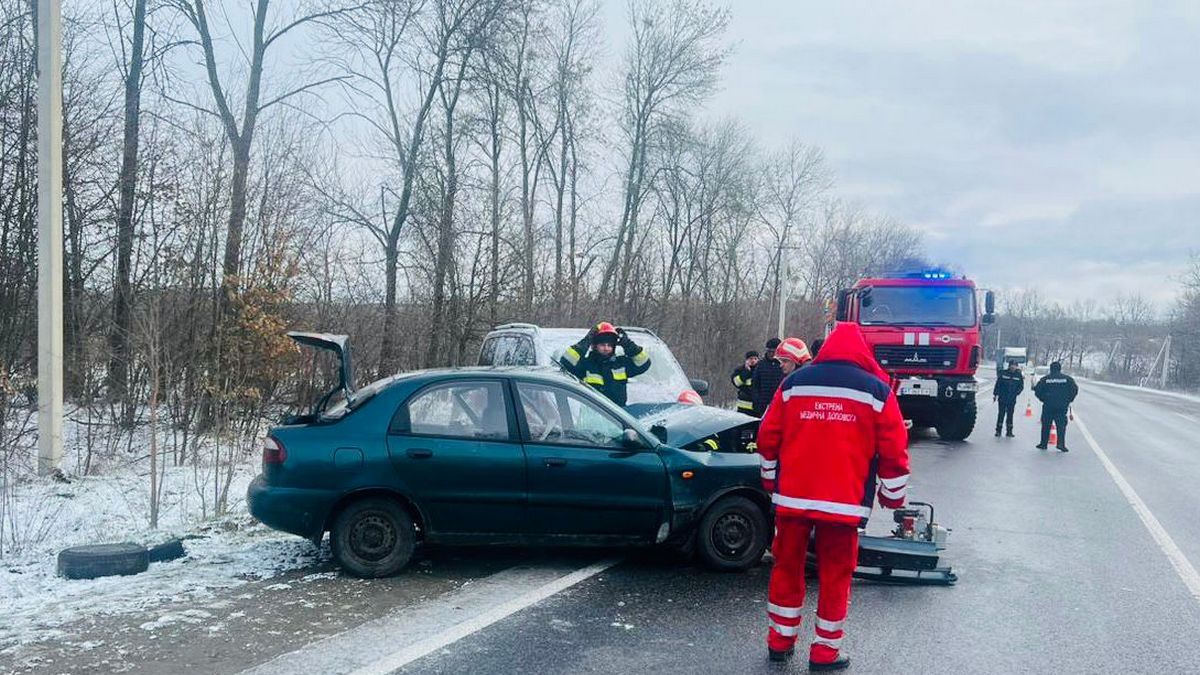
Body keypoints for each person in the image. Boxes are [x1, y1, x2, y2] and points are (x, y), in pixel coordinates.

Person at [756, 323, 910, 670]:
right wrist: (893, 495)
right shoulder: (877, 390)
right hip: (844, 502)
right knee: (836, 574)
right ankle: (824, 653)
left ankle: (780, 641)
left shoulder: (794, 383)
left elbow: (768, 434)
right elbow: (894, 447)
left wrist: (769, 479)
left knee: (787, 566)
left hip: (793, 498)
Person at [559, 322, 651, 407]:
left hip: (619, 419)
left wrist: (627, 344)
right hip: (591, 419)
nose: (606, 348)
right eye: (602, 345)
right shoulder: (586, 365)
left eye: (610, 345)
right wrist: (587, 341)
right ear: (595, 346)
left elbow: (644, 363)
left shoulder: (621, 364)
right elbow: (567, 361)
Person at [1033, 361, 1078, 452]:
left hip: (1048, 406)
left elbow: (1037, 390)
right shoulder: (1067, 379)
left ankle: (1043, 444)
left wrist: (1043, 399)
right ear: (1060, 369)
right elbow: (1075, 389)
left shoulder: (1045, 379)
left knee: (1046, 425)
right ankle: (1061, 444)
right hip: (1061, 407)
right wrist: (1069, 399)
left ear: (1051, 369)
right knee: (1061, 426)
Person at [750, 338, 784, 417]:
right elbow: (755, 384)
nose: (771, 354)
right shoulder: (760, 365)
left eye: (774, 352)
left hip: (779, 405)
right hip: (762, 406)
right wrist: (757, 401)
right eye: (769, 351)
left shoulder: (783, 365)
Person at [993, 360, 1025, 437]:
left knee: (1010, 415)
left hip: (1012, 398)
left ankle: (1009, 431)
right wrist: (995, 394)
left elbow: (1021, 386)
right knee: (1001, 414)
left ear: (1016, 366)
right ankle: (998, 431)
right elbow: (998, 384)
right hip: (1002, 398)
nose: (1013, 367)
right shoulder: (1003, 373)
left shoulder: (1018, 375)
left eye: (1015, 365)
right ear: (1009, 366)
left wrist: (1017, 392)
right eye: (1012, 365)